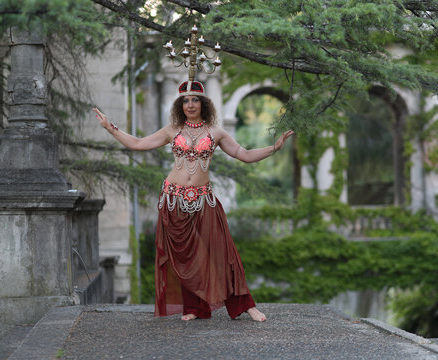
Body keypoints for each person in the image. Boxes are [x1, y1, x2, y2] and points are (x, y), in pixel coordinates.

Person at [93, 80, 294, 322]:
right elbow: (137, 143)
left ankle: (246, 305)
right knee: (185, 256)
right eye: (185, 100)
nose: (190, 104)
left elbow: (244, 154)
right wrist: (109, 127)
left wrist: (274, 148)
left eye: (195, 99)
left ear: (204, 103)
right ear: (180, 104)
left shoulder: (216, 132)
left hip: (203, 200)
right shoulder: (171, 130)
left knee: (223, 252)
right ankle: (195, 308)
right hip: (173, 199)